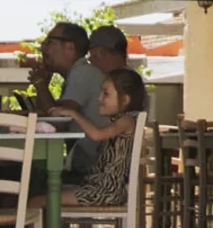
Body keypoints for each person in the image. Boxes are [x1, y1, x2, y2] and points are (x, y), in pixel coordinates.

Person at [57, 68, 147, 209]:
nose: (99, 98)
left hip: (104, 192)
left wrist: (73, 114)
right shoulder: (120, 121)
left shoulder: (127, 120)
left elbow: (97, 134)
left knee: (37, 201)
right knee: (46, 193)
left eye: (106, 93)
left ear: (125, 100)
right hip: (97, 188)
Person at [27, 21, 108, 176]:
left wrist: (41, 84)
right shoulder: (77, 74)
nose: (43, 48)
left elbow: (58, 124)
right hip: (86, 164)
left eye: (50, 42)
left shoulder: (83, 74)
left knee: (21, 174)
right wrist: (42, 85)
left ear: (69, 48)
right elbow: (47, 115)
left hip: (91, 171)